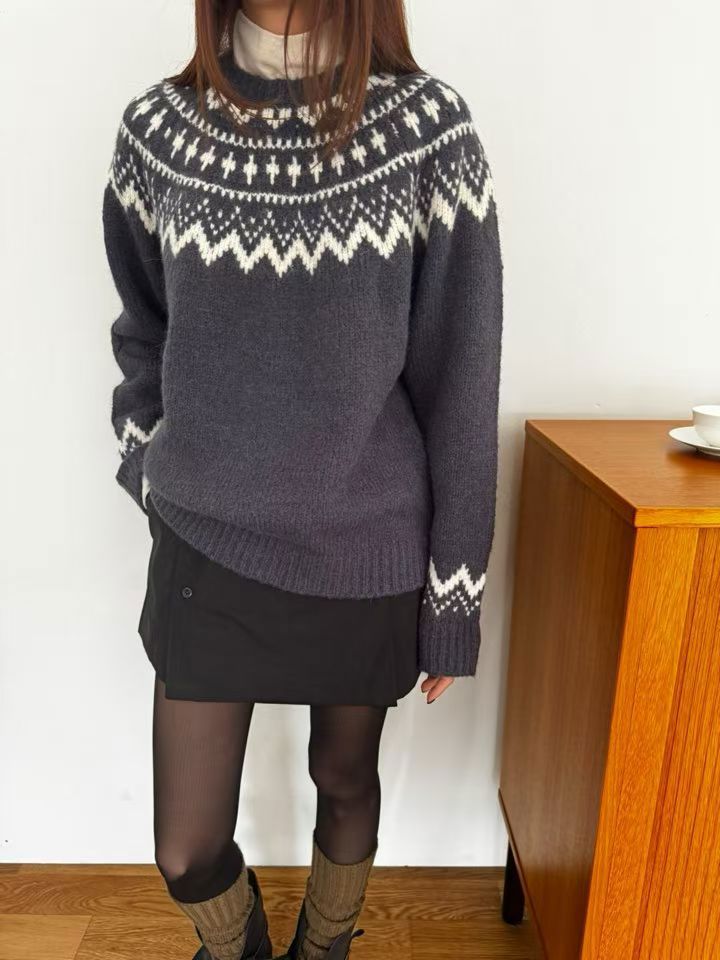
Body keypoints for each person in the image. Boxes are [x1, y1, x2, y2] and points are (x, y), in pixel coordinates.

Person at [102, 0, 503, 957]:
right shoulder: (157, 131)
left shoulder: (427, 130)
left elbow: (460, 376)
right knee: (185, 848)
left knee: (345, 780)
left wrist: (454, 593)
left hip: (365, 544)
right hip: (206, 536)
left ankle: (325, 948)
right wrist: (147, 456)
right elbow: (144, 328)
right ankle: (235, 947)